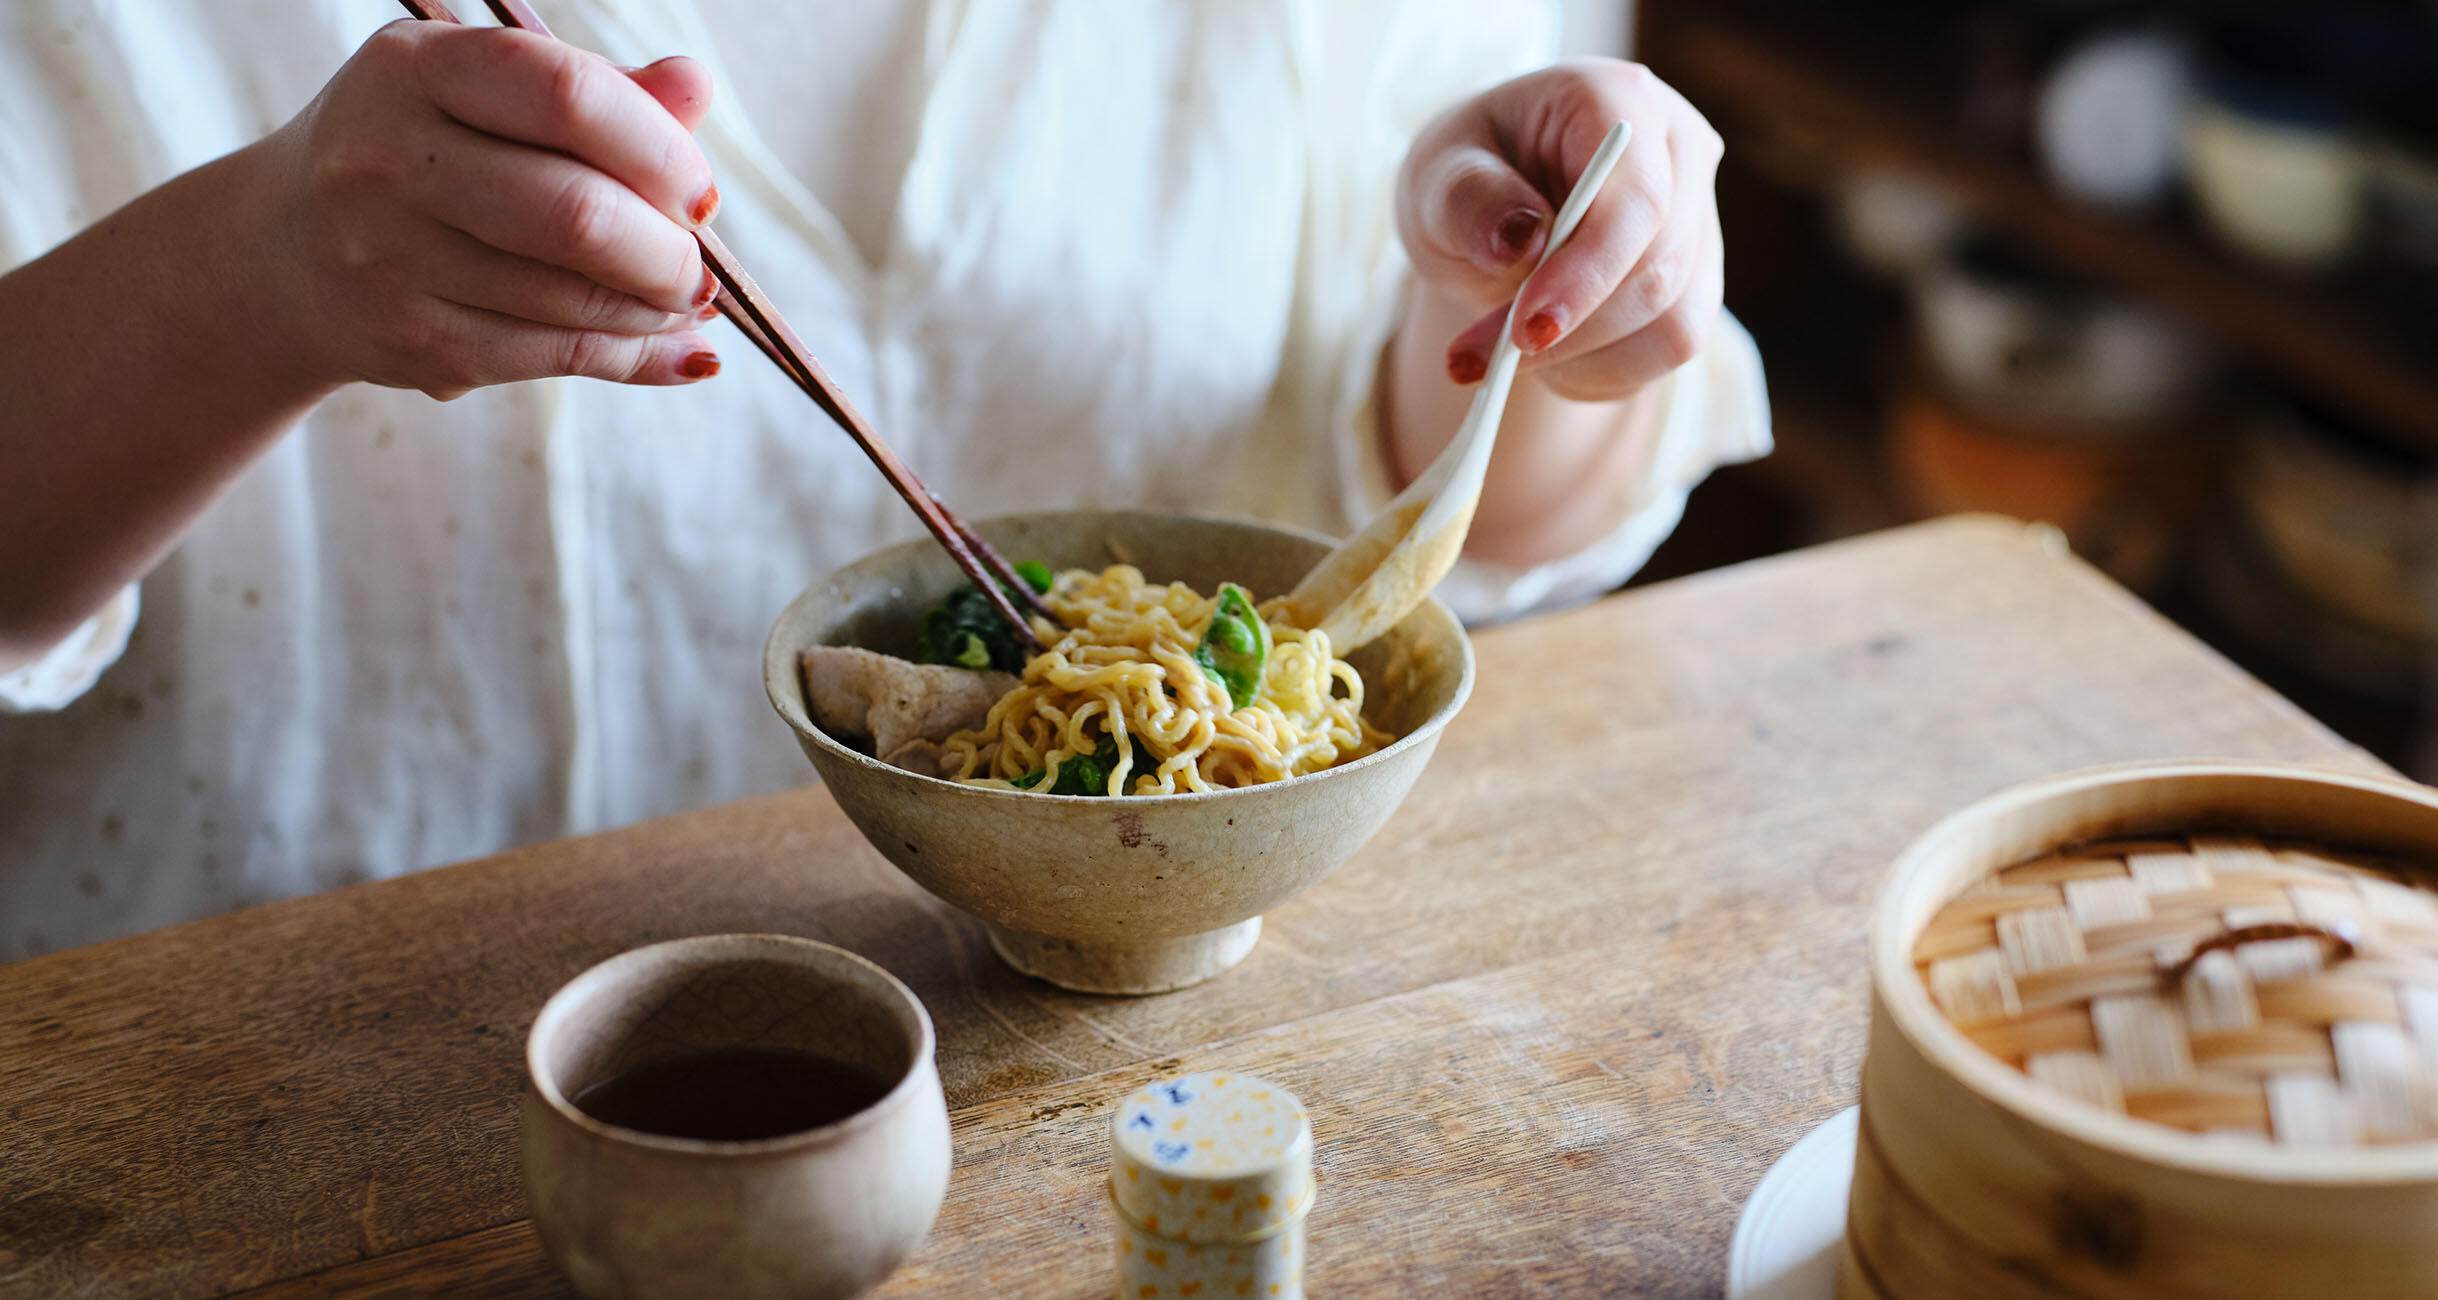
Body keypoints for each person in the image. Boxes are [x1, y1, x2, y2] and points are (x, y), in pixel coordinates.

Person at [0, 0, 1768, 959]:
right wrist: (246, 280)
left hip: (1125, 1095)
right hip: (289, 1068)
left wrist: (1535, 310)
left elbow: (1496, 525)